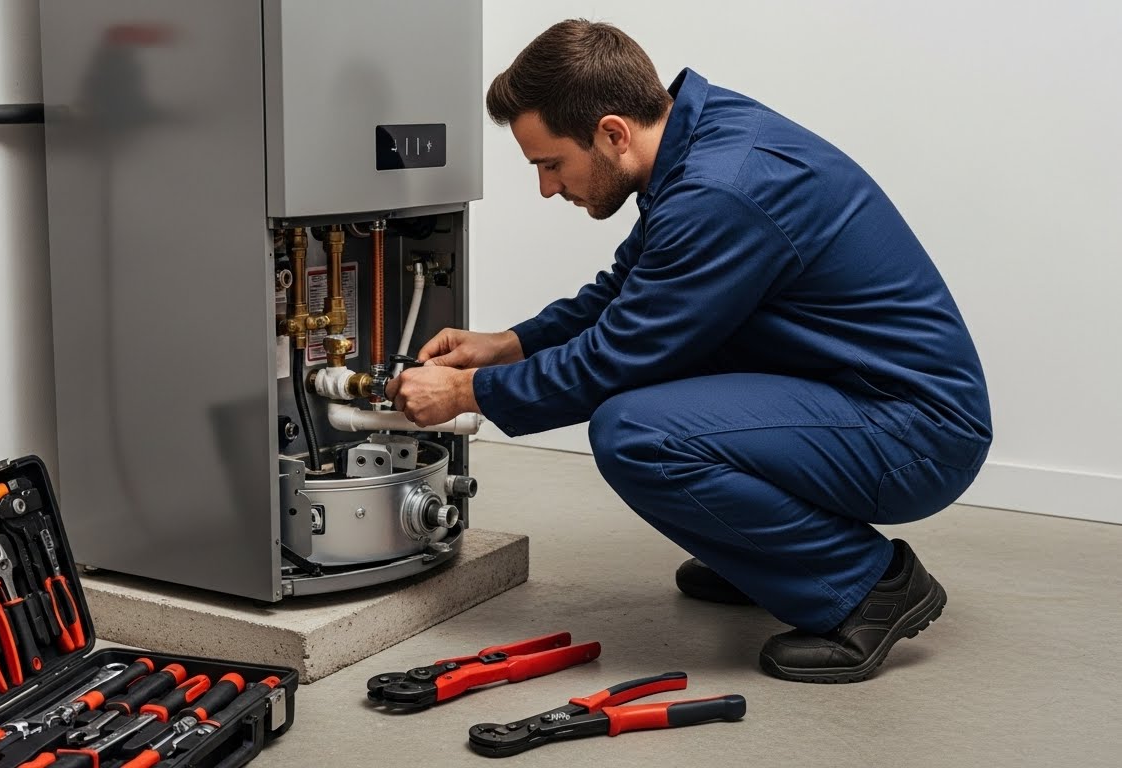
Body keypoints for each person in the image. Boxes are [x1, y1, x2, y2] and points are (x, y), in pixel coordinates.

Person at [385, 19, 992, 683]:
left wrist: (466, 393)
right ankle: (767, 557)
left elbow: (614, 357)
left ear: (612, 132)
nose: (547, 188)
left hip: (914, 434)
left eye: (550, 164)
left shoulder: (720, 192)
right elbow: (629, 293)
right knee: (662, 385)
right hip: (855, 395)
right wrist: (508, 343)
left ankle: (868, 587)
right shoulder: (700, 138)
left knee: (637, 431)